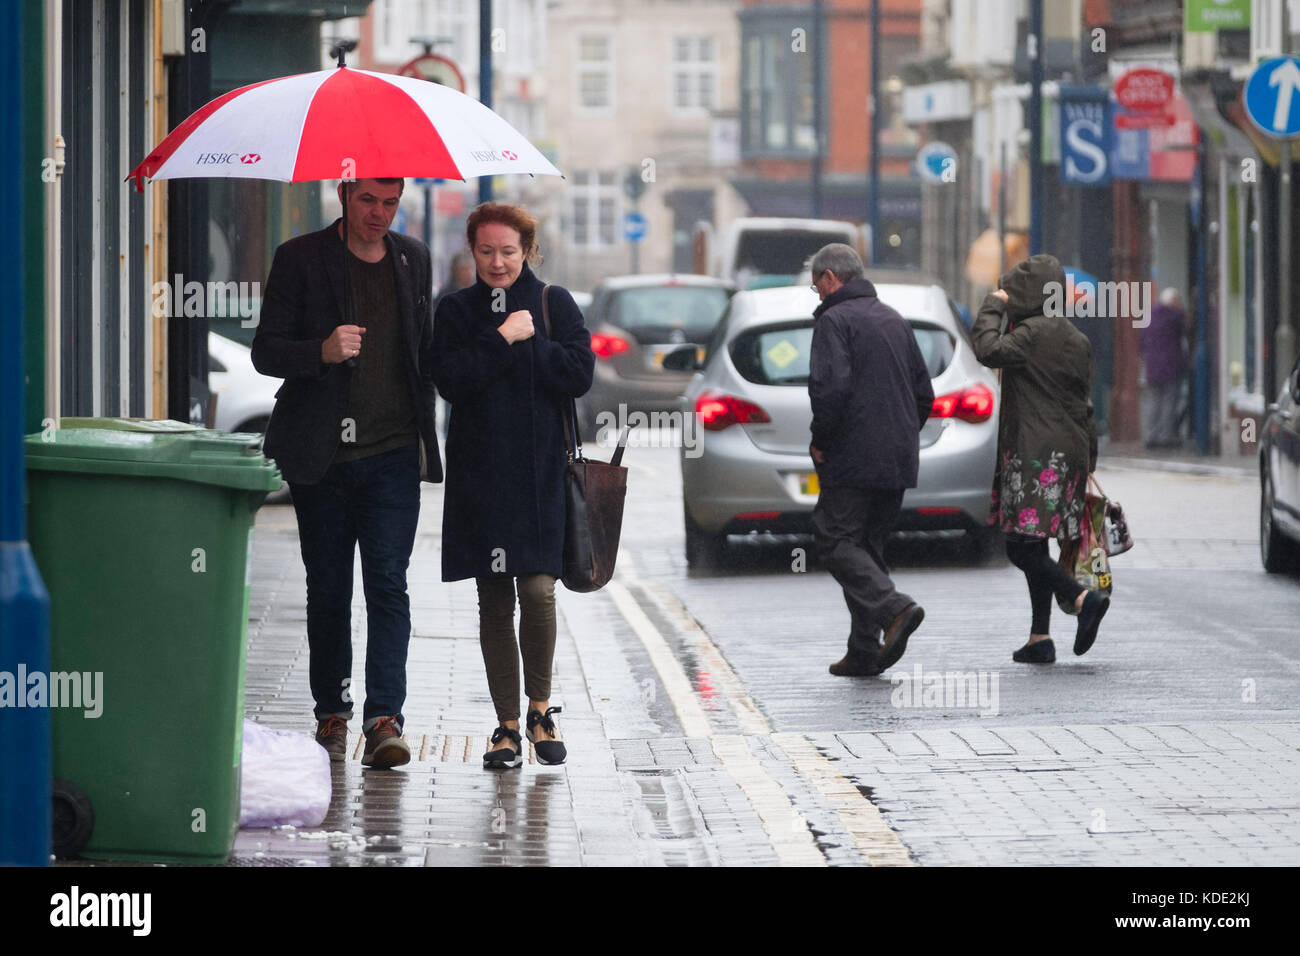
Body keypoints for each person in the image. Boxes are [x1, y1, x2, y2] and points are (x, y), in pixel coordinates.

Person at [252, 177, 441, 769]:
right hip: (323, 457)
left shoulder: (413, 259)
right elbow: (265, 351)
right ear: (344, 194)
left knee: (388, 582)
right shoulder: (301, 257)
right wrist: (322, 352)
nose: (379, 214)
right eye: (368, 201)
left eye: (390, 202)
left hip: (391, 453)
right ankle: (331, 710)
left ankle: (385, 718)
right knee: (328, 588)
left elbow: (424, 353)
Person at [432, 203, 594, 769]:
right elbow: (448, 379)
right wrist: (501, 338)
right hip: (481, 477)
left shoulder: (554, 303)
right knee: (494, 600)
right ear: (471, 251)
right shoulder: (454, 311)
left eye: (508, 251)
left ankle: (540, 710)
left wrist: (532, 343)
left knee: (540, 592)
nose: (497, 263)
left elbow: (579, 374)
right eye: (486, 251)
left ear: (527, 249)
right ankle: (505, 727)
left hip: (541, 473)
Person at [971, 254, 1108, 664]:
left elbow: (986, 349)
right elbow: (1084, 403)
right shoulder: (1075, 338)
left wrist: (993, 304)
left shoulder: (1031, 334)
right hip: (1071, 453)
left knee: (1020, 548)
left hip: (1035, 455)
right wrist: (1091, 456)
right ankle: (1039, 637)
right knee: (1039, 541)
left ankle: (1082, 598)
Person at [807, 243, 934, 677]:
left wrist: (821, 439)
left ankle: (894, 609)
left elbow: (831, 391)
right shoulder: (894, 319)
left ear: (829, 277)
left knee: (835, 539)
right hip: (896, 455)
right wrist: (899, 434)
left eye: (816, 286)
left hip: (851, 454)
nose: (816, 294)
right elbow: (924, 395)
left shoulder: (835, 321)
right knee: (867, 548)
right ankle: (863, 650)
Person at [1140, 288, 1187, 448]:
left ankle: (1151, 436)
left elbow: (1142, 342)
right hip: (1170, 366)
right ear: (1173, 302)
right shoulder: (1174, 317)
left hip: (1152, 367)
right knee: (1169, 402)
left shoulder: (1149, 316)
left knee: (1154, 402)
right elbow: (1185, 331)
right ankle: (1165, 437)